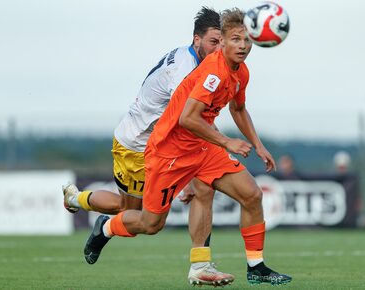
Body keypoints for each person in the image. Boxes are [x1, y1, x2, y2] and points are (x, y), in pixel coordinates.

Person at [83, 8, 292, 286]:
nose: (242, 46)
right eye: (235, 39)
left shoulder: (241, 71)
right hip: (169, 152)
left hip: (202, 148)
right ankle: (106, 227)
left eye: (247, 40)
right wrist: (227, 141)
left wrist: (258, 145)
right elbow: (187, 118)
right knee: (151, 224)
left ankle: (255, 268)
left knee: (251, 194)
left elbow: (238, 108)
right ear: (225, 42)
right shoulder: (213, 72)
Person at [63, 7, 234, 286]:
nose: (219, 49)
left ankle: (201, 264)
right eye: (214, 42)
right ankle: (82, 205)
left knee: (204, 188)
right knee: (132, 212)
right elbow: (190, 121)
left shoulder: (198, 61)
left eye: (222, 43)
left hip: (163, 144)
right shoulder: (185, 71)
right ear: (197, 40)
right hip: (136, 146)